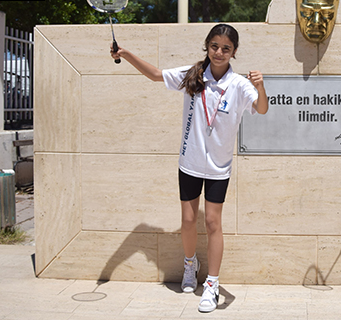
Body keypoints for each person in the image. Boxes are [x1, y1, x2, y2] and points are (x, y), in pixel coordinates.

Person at [111, 23, 269, 313]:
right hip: (190, 163)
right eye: (214, 46)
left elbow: (261, 108)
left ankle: (211, 284)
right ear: (207, 46)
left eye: (226, 48)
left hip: (219, 166)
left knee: (212, 223)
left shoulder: (238, 85)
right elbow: (156, 75)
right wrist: (127, 54)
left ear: (234, 52)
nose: (219, 52)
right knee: (187, 221)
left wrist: (260, 85)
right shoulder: (194, 75)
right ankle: (189, 265)